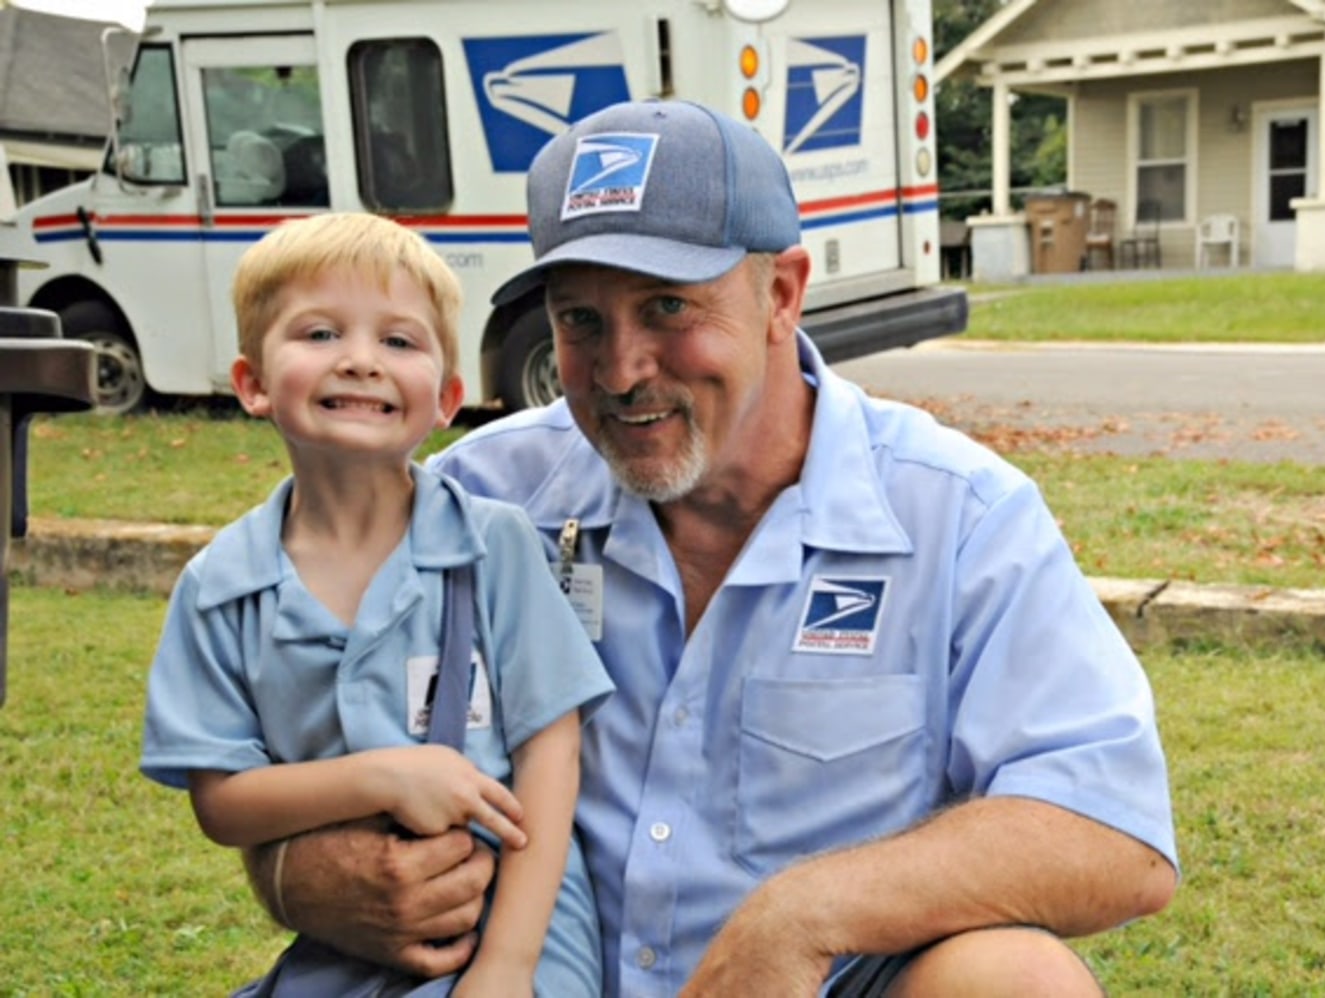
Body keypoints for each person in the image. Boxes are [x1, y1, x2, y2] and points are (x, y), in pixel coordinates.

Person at [249, 100, 1179, 996]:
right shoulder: (476, 500)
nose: (620, 370)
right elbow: (288, 746)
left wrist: (803, 916)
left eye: (666, 309)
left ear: (781, 294)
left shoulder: (958, 517)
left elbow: (1112, 832)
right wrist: (303, 874)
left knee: (1015, 984)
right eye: (581, 321)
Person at [139, 212, 613, 996]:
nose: (360, 361)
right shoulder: (222, 586)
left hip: (508, 928)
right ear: (252, 383)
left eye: (398, 342)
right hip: (346, 940)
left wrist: (506, 968)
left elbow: (551, 753)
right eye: (320, 333)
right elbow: (222, 800)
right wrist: (385, 778)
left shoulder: (494, 547)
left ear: (447, 399)